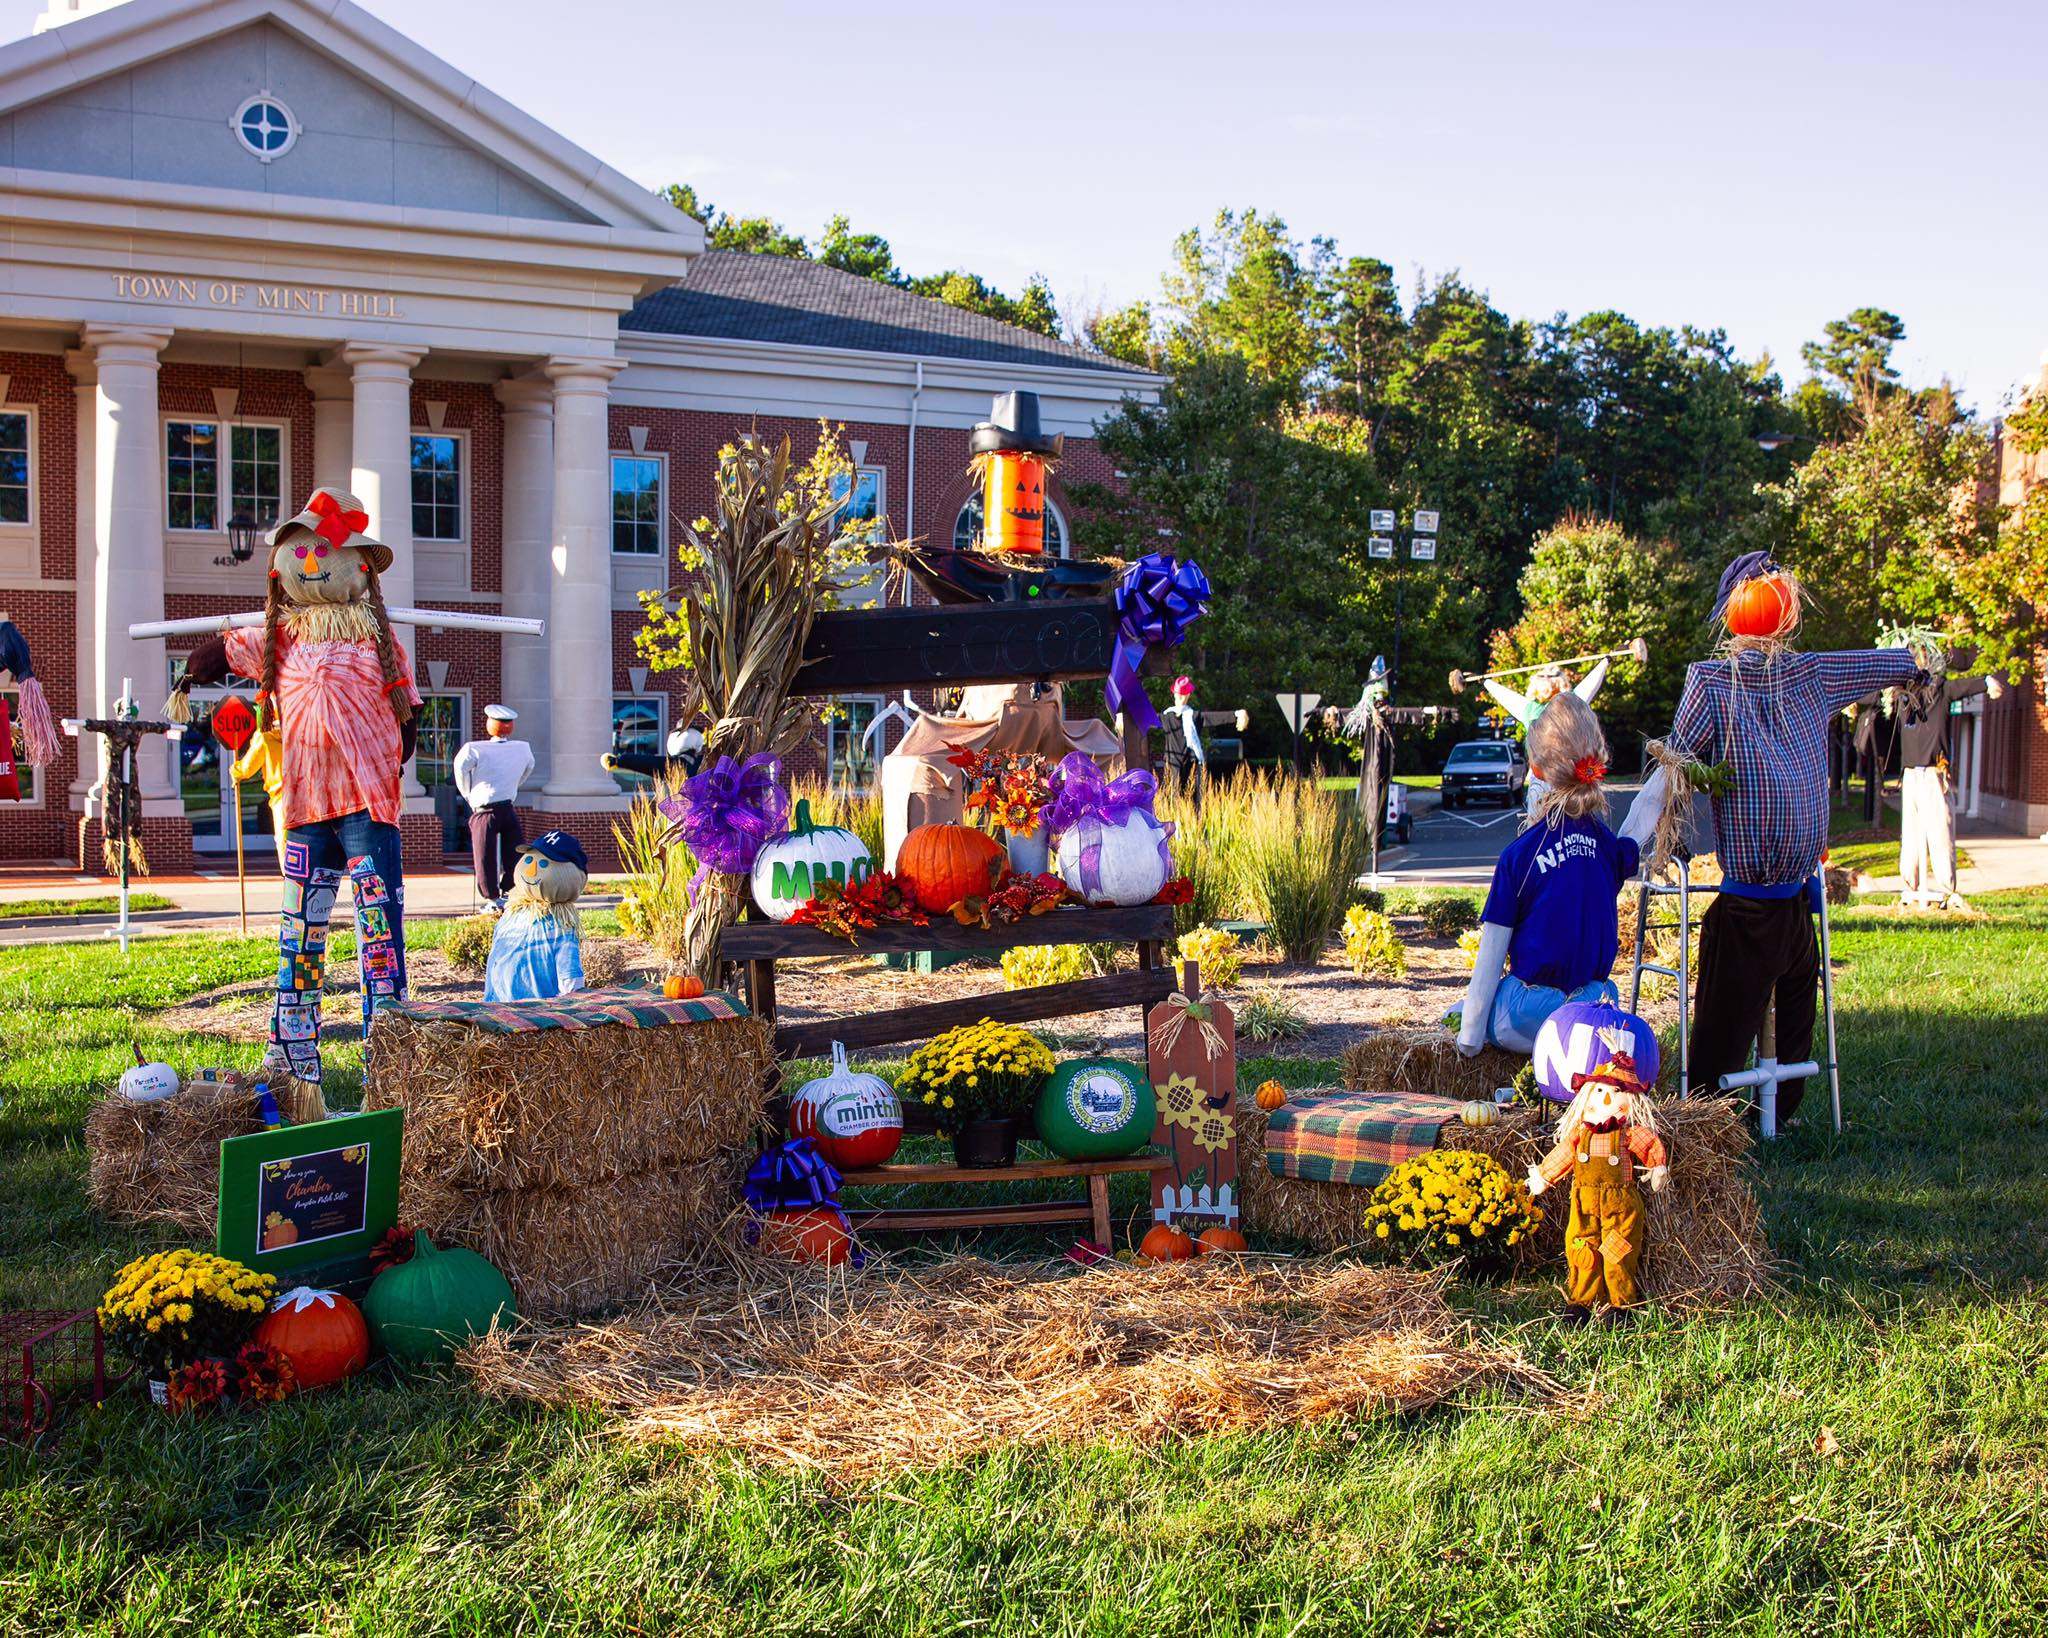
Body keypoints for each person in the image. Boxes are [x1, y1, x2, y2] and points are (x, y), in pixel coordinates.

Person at [1622, 552, 1929, 1119]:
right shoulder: (1718, 681)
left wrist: (1909, 662)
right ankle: (1709, 1117)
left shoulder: (1803, 673)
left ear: (1730, 616)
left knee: (1788, 1022)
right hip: (1750, 900)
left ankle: (1771, 1108)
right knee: (1722, 1030)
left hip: (1791, 896)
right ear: (1785, 613)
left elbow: (1672, 766)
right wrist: (1631, 840)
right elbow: (1674, 766)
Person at [169, 486, 421, 1103]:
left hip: (367, 809)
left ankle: (386, 1081)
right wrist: (192, 670)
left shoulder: (376, 641)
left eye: (327, 553)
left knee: (379, 942)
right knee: (299, 938)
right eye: (301, 553)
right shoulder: (280, 640)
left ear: (360, 568)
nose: (313, 565)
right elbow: (226, 651)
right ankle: (296, 1077)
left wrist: (388, 753)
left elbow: (407, 714)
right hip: (307, 809)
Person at [1455, 692, 1637, 1055]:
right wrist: (1668, 773)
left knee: (1469, 1009)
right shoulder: (1606, 845)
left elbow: (1490, 959)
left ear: (1536, 768)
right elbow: (1638, 829)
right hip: (1596, 1006)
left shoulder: (1521, 855)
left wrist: (1469, 1038)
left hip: (1531, 1013)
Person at [1885, 660, 2005, 909]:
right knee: (1937, 832)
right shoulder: (1931, 691)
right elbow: (1963, 686)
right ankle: (1939, 889)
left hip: (1918, 773)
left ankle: (1917, 888)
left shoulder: (1904, 694)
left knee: (1915, 833)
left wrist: (1984, 683)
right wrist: (1986, 682)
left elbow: (1964, 686)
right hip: (1929, 775)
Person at [1484, 658, 1610, 815]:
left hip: (1552, 777)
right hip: (1567, 775)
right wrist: (1606, 661)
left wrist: (1485, 682)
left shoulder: (1531, 710)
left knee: (1539, 821)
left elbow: (1508, 698)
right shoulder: (1570, 705)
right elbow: (1590, 685)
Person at [484, 830, 588, 1002]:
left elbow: (569, 976)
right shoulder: (516, 913)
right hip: (515, 1009)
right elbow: (495, 957)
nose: (531, 871)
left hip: (516, 1010)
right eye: (529, 859)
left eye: (544, 864)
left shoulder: (558, 924)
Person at [454, 704, 533, 911]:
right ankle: (497, 895)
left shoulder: (475, 749)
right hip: (502, 806)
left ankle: (499, 894)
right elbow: (527, 770)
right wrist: (511, 787)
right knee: (500, 852)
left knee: (489, 855)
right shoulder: (521, 748)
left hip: (487, 808)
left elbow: (460, 771)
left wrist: (469, 795)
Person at [1162, 675, 1206, 803]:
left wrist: (1236, 715)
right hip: (1173, 765)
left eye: (1183, 695)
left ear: (1187, 696)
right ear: (1174, 694)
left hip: (1190, 764)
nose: (1180, 698)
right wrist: (1124, 717)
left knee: (1191, 800)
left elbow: (1212, 717)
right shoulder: (1167, 716)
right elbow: (1147, 719)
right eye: (1178, 694)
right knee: (1172, 798)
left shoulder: (1193, 716)